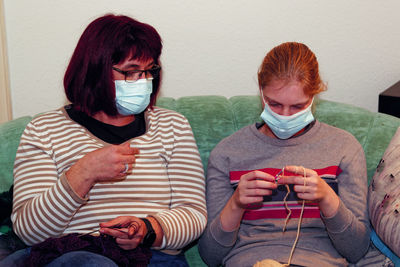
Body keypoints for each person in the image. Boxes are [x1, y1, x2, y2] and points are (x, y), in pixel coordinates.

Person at [1, 14, 206, 266]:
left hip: (153, 257)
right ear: (95, 69)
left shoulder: (172, 126)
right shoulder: (44, 130)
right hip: (74, 255)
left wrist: (147, 229)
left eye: (148, 71)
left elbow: (194, 214)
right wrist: (82, 174)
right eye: (130, 72)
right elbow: (29, 231)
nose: (142, 82)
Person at [198, 42, 370, 267]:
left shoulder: (344, 148)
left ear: (313, 97)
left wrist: (327, 198)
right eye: (275, 104)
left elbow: (357, 250)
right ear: (261, 91)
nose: (285, 116)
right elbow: (210, 256)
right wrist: (236, 204)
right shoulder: (228, 153)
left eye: (297, 107)